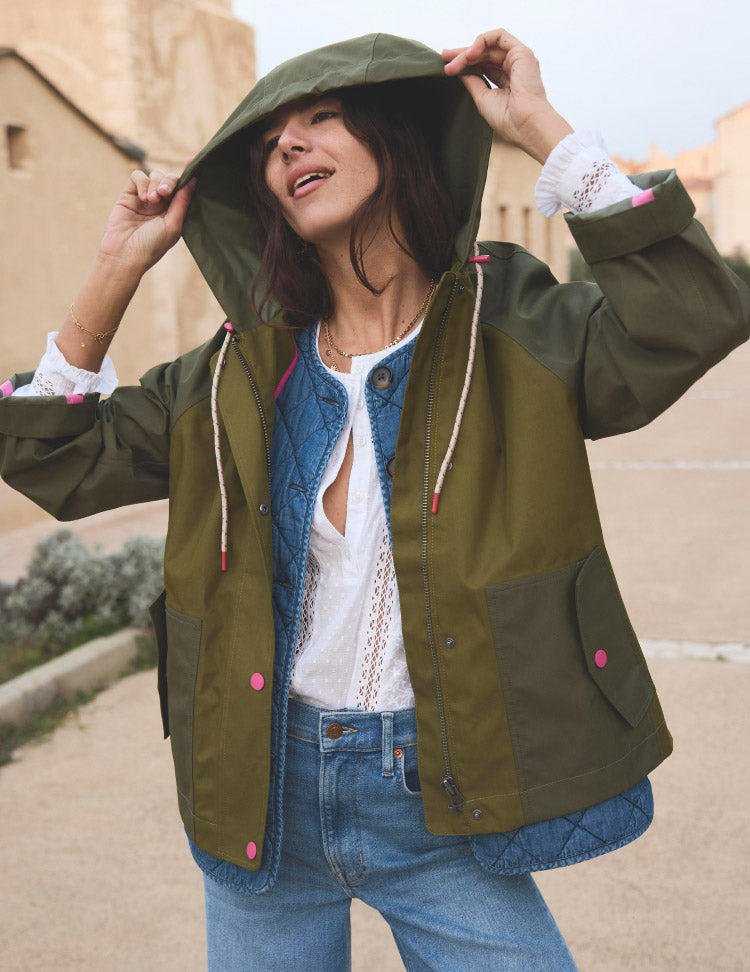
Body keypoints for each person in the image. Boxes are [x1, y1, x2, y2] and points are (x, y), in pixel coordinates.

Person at [1, 28, 748, 971]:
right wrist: (119, 263)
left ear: (396, 147)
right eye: (272, 142)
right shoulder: (236, 369)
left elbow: (694, 319)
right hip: (262, 798)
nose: (289, 147)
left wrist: (540, 128)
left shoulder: (510, 325)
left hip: (441, 794)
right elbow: (55, 458)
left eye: (323, 120)